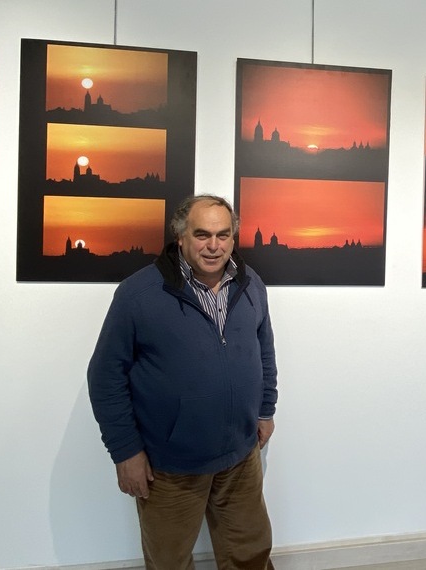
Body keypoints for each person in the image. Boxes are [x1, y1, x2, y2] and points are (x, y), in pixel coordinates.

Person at [88, 194, 278, 570]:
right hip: (170, 465)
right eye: (202, 234)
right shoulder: (139, 294)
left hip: (240, 455)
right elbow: (105, 376)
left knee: (251, 554)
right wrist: (126, 452)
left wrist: (265, 408)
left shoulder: (249, 283)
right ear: (181, 237)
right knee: (169, 561)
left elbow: (264, 349)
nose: (214, 246)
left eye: (223, 235)